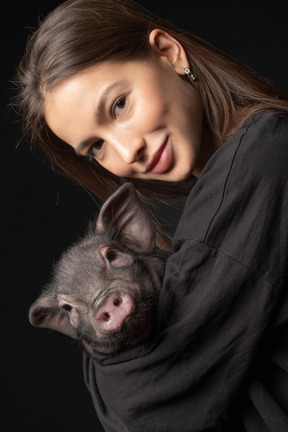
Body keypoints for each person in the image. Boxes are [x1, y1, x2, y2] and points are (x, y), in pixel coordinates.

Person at [15, 0, 288, 431]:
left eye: (119, 105)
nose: (127, 153)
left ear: (168, 53)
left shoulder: (265, 156)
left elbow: (145, 402)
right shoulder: (220, 191)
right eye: (96, 147)